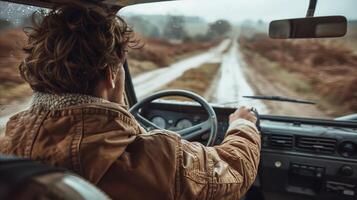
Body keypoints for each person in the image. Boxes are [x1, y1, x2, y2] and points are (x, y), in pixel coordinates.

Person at [0, 3, 261, 200]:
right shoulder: (161, 158)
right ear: (110, 75)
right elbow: (234, 172)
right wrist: (243, 126)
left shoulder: (7, 145)